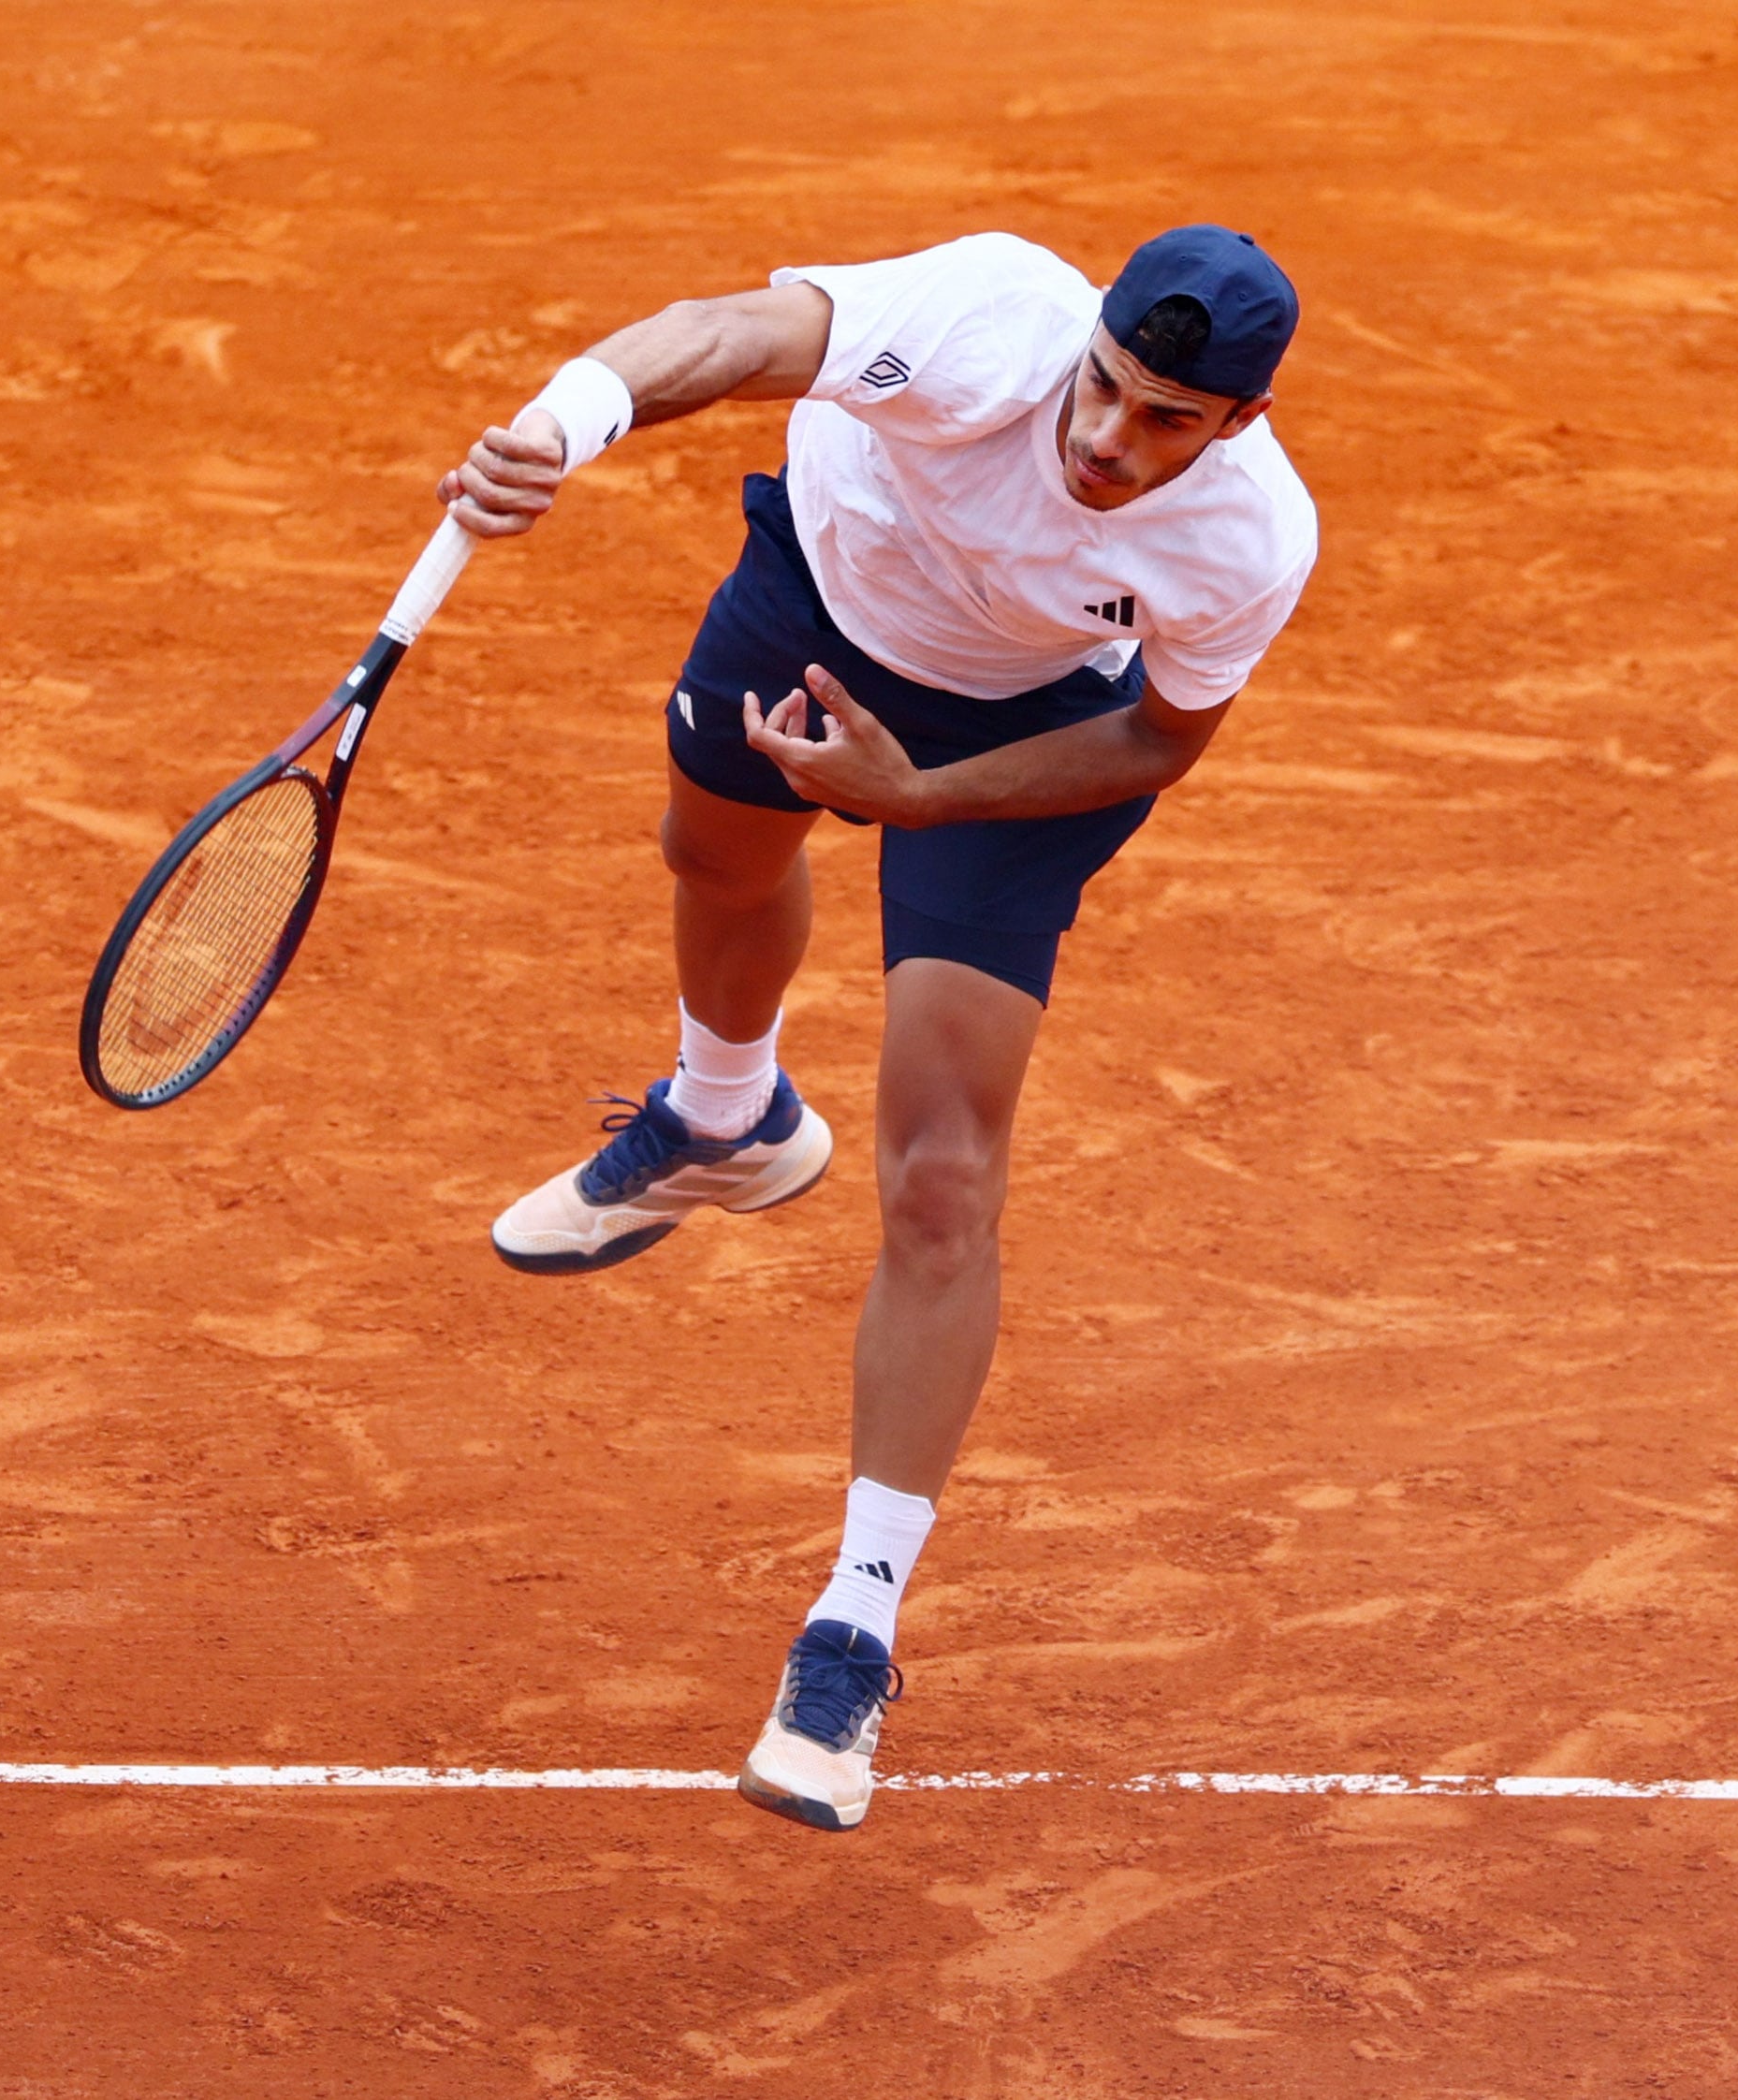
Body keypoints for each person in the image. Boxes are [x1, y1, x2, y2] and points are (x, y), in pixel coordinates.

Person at [438, 226, 1318, 1830]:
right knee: (711, 856)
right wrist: (561, 425)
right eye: (1108, 388)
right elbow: (725, 330)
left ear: (1235, 426)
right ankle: (726, 1120)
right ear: (1087, 342)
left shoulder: (1246, 540)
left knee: (937, 1175)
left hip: (1036, 724)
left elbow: (1157, 736)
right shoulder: (982, 322)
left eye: (1167, 421)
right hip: (823, 601)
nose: (1112, 442)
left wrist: (917, 799)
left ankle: (852, 1624)